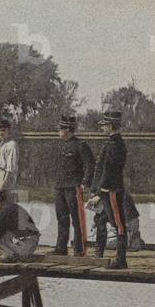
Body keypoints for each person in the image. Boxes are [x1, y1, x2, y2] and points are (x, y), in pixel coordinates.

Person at [87, 110, 129, 268]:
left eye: (104, 125)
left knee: (119, 224)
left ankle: (121, 259)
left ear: (111, 125)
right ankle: (104, 254)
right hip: (107, 190)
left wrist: (100, 191)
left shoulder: (115, 144)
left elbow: (110, 169)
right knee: (106, 221)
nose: (102, 127)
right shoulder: (112, 142)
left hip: (111, 189)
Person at [51, 113, 95, 256]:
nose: (59, 131)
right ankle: (61, 248)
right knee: (61, 218)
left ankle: (79, 249)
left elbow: (90, 164)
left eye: (61, 128)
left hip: (73, 187)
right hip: (60, 187)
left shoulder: (80, 145)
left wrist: (84, 183)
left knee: (77, 219)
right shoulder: (61, 146)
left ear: (68, 130)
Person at [0, 188, 40, 260]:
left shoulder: (4, 211)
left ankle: (10, 255)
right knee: (0, 233)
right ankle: (13, 255)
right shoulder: (13, 207)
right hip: (31, 245)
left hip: (25, 248)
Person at [0, 118, 20, 229]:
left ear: (9, 130)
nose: (1, 133)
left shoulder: (12, 145)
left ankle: (8, 234)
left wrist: (4, 184)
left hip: (6, 178)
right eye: (0, 130)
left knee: (6, 207)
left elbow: (10, 167)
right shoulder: (1, 144)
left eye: (4, 130)